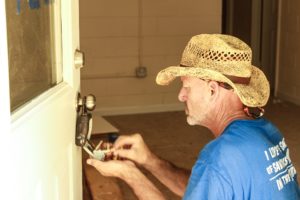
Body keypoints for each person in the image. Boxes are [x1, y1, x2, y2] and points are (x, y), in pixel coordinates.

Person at [87, 34, 300, 199]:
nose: (181, 96)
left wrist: (130, 174)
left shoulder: (220, 156)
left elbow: (214, 173)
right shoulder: (266, 131)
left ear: (212, 90)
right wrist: (149, 160)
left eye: (186, 87)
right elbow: (207, 187)